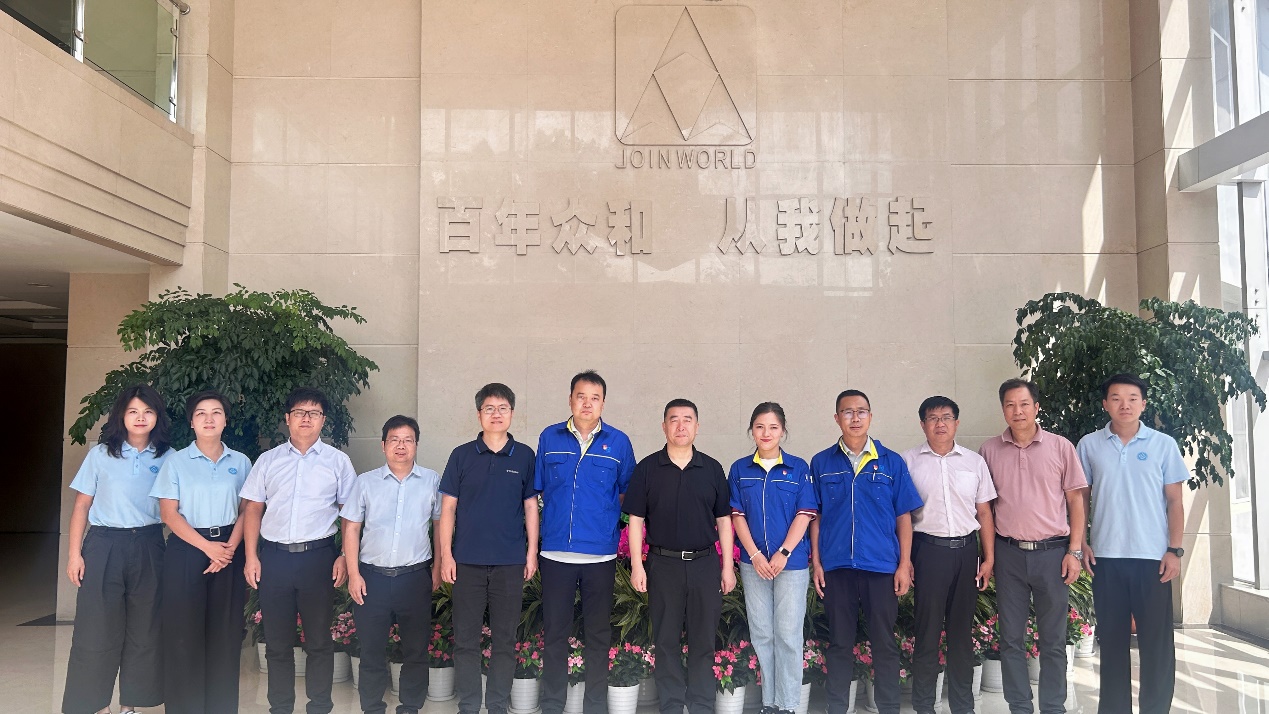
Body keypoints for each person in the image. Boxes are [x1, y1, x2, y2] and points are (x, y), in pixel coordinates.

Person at [240, 387, 355, 714]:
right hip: (274, 559)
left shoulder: (338, 462)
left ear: (323, 420)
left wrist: (344, 556)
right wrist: (251, 556)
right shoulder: (268, 460)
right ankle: (280, 708)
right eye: (300, 412)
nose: (307, 418)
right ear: (287, 418)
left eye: (314, 413)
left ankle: (320, 707)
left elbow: (350, 515)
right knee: (277, 643)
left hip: (318, 559)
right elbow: (252, 509)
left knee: (319, 641)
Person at [1077, 373, 1186, 714]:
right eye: (1116, 398)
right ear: (1105, 404)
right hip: (1106, 558)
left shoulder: (1163, 445)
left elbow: (1175, 502)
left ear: (1144, 403)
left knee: (1156, 644)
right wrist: (1080, 543)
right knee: (1111, 643)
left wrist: (1174, 550)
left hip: (1153, 558)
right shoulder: (1089, 445)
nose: (1124, 404)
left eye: (1132, 398)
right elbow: (1080, 499)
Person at [810, 389, 922, 714]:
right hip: (837, 568)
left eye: (861, 411)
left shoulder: (891, 462)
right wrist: (817, 562)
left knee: (884, 643)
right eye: (848, 412)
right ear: (837, 418)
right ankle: (836, 708)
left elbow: (904, 516)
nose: (855, 418)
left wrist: (904, 564)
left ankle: (889, 708)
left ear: (870, 417)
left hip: (881, 567)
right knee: (839, 643)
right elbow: (815, 517)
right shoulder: (822, 463)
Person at [63, 384, 173, 714]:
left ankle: (131, 705)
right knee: (96, 627)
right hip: (104, 544)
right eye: (133, 411)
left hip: (150, 545)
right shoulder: (101, 454)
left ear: (157, 417)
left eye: (148, 411)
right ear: (121, 416)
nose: (141, 418)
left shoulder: (169, 457)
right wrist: (74, 554)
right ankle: (96, 706)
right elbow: (82, 506)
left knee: (146, 628)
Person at [979, 379, 1087, 714]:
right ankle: (1020, 706)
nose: (1018, 411)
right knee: (1011, 639)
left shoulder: (1060, 447)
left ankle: (1053, 707)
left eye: (1024, 404)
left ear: (1036, 407)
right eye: (1010, 405)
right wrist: (990, 557)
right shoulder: (989, 451)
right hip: (1009, 554)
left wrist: (1075, 551)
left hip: (1053, 555)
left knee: (1053, 640)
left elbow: (1076, 501)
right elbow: (985, 508)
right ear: (1003, 410)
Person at [625, 398, 736, 714]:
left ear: (697, 427)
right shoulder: (647, 468)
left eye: (687, 419)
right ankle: (672, 704)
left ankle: (701, 704)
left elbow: (724, 521)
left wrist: (727, 567)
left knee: (704, 641)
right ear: (664, 426)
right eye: (674, 419)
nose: (681, 425)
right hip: (663, 565)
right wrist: (637, 565)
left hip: (705, 565)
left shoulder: (712, 468)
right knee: (665, 641)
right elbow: (635, 520)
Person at [535, 371, 637, 714]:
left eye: (594, 398)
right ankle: (552, 705)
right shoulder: (550, 437)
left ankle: (595, 706)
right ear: (570, 400)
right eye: (581, 396)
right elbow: (539, 490)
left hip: (600, 555)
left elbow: (627, 495)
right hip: (555, 553)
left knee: (598, 635)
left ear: (603, 403)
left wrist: (607, 525)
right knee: (555, 634)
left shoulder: (618, 442)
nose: (587, 404)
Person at [438, 383, 540, 714]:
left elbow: (531, 507)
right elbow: (448, 509)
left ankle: (497, 704)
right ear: (479, 413)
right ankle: (469, 705)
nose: (496, 414)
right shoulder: (461, 455)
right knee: (466, 641)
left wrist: (531, 553)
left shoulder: (524, 456)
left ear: (512, 413)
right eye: (489, 408)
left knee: (505, 642)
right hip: (467, 562)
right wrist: (446, 555)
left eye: (503, 408)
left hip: (509, 562)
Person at [151, 390, 253, 714]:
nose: (209, 419)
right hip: (187, 550)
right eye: (201, 414)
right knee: (183, 635)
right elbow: (169, 514)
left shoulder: (241, 462)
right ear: (191, 422)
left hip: (229, 549)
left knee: (226, 635)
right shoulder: (176, 462)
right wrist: (208, 547)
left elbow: (248, 511)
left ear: (226, 420)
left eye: (216, 412)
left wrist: (228, 550)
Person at [900, 396, 996, 714]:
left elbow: (984, 512)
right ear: (922, 424)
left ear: (956, 422)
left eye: (946, 417)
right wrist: (905, 560)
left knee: (961, 635)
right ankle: (924, 706)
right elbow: (901, 516)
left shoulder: (974, 462)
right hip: (928, 552)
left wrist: (988, 558)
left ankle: (963, 706)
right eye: (933, 418)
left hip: (967, 553)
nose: (940, 423)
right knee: (927, 633)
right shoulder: (908, 462)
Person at [343, 415, 443, 714]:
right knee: (371, 651)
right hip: (371, 579)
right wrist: (353, 574)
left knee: (415, 651)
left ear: (416, 445)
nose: (401, 446)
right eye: (395, 440)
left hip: (414, 577)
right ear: (383, 445)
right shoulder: (365, 482)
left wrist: (437, 568)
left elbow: (440, 526)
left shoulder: (432, 481)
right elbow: (351, 529)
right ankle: (372, 708)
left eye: (408, 440)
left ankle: (410, 707)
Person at [728, 403, 817, 714]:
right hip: (754, 565)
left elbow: (805, 514)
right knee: (763, 633)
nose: (766, 433)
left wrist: (784, 552)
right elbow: (736, 515)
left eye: (773, 427)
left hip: (791, 565)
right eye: (760, 427)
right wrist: (754, 554)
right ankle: (770, 703)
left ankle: (789, 704)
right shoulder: (739, 469)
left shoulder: (798, 468)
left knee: (789, 635)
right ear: (752, 430)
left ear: (783, 431)